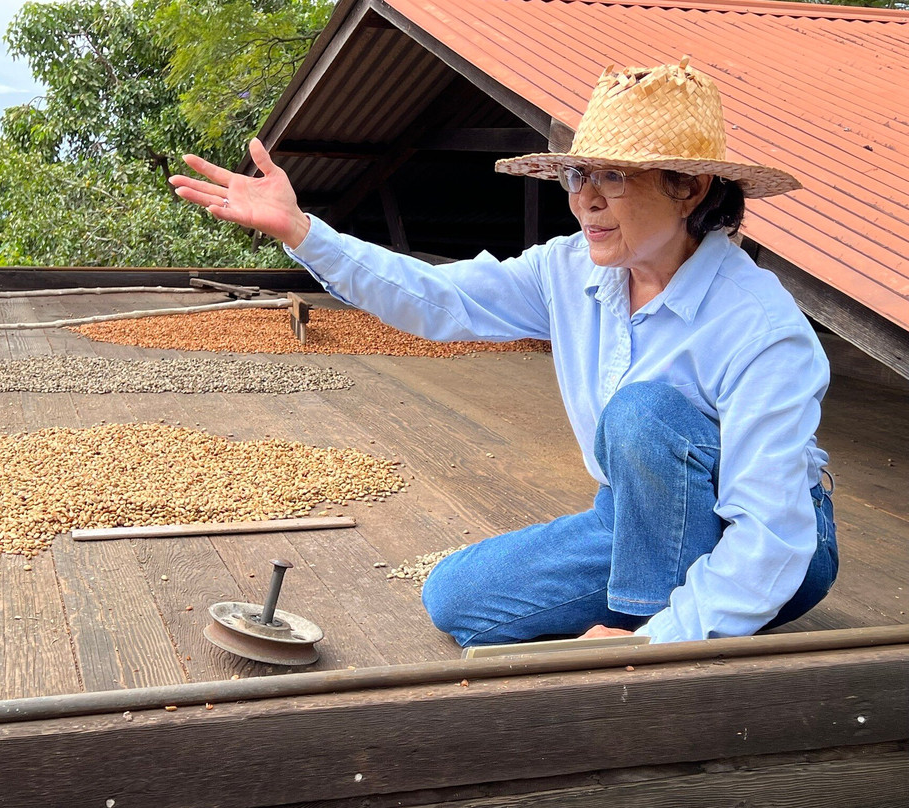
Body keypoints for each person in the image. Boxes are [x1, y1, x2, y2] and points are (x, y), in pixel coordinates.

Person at [169, 57, 838, 645]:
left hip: (773, 541)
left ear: (688, 188)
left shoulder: (758, 324)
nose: (587, 201)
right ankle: (655, 620)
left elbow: (770, 536)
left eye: (613, 177)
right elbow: (438, 299)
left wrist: (658, 643)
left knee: (644, 414)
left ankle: (652, 644)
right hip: (635, 521)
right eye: (578, 177)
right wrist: (305, 232)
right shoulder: (568, 271)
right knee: (456, 598)